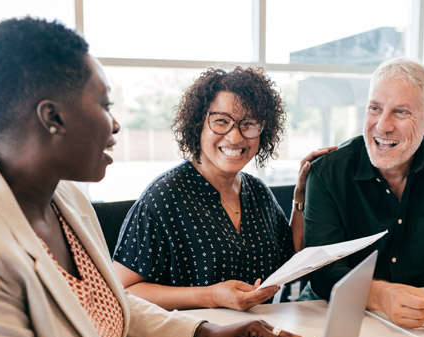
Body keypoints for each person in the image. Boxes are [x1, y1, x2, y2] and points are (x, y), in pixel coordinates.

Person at [0, 17, 319, 337]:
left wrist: (206, 335)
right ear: (54, 117)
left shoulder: (65, 199)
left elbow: (112, 306)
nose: (115, 123)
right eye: (104, 104)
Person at [300, 57, 424, 331]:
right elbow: (324, 271)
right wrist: (382, 295)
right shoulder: (328, 172)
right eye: (375, 108)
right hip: (331, 315)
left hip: (422, 321)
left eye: (400, 112)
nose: (382, 126)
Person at [113, 67, 335, 311]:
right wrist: (210, 296)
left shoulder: (257, 192)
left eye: (248, 124)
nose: (235, 137)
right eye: (221, 121)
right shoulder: (164, 197)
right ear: (198, 124)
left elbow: (291, 256)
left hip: (258, 332)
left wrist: (300, 196)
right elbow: (123, 290)